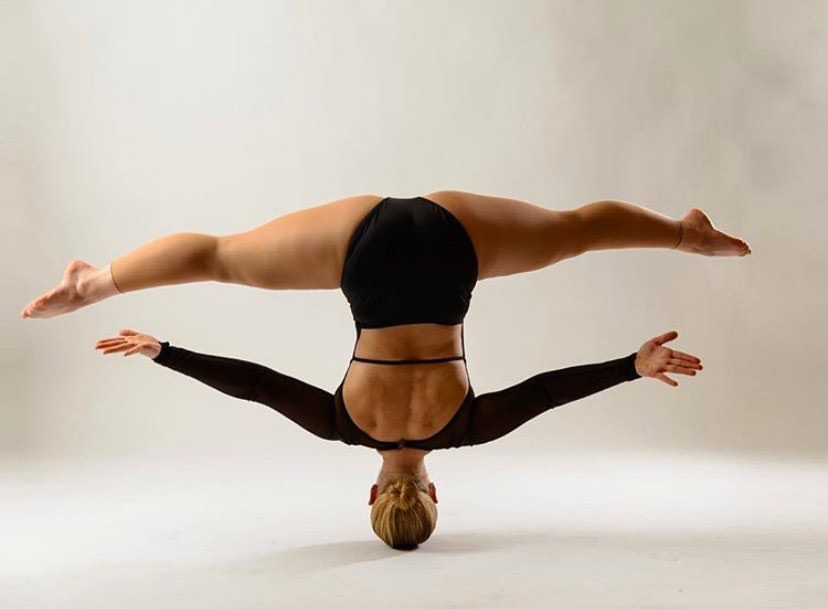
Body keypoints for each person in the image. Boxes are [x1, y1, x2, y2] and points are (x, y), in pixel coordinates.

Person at [21, 190, 749, 549]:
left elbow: (548, 391)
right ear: (372, 489)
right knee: (220, 255)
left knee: (574, 233)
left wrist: (633, 364)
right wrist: (164, 351)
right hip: (361, 257)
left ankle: (685, 236)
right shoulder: (342, 423)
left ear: (433, 489)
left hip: (452, 250)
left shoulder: (467, 427)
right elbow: (255, 383)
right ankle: (91, 284)